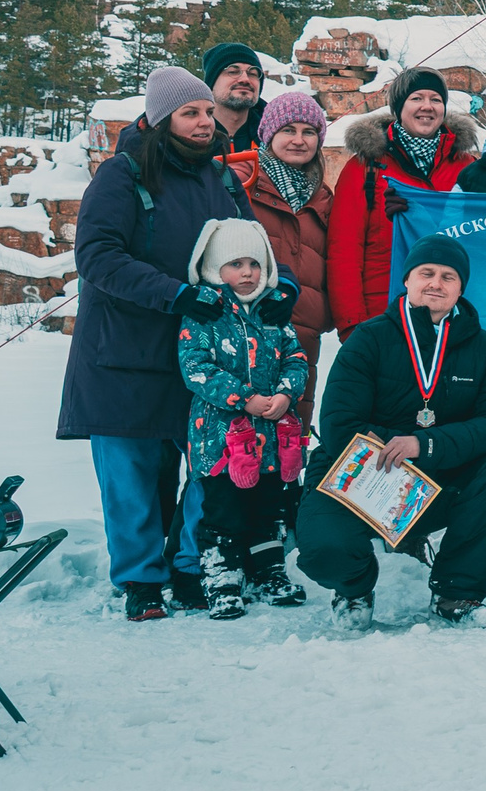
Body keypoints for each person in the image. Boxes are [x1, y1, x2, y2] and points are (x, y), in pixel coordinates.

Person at [63, 66, 264, 620]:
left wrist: (276, 285)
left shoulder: (222, 180)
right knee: (132, 476)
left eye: (206, 112)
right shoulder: (121, 175)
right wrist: (175, 294)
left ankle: (187, 565)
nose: (205, 122)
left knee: (207, 466)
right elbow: (98, 257)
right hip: (122, 352)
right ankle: (141, 582)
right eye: (190, 113)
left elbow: (253, 248)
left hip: (199, 354)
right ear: (160, 119)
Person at [296, 234, 486, 625]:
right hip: (366, 473)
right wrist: (392, 447)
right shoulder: (369, 337)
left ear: (461, 288)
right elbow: (337, 424)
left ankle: (457, 593)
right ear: (407, 280)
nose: (436, 283)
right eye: (427, 273)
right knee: (323, 551)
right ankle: (354, 588)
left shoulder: (485, 349)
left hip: (440, 476)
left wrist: (425, 444)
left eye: (448, 276)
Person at [175, 218, 310, 618]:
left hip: (269, 437)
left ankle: (269, 573)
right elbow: (195, 367)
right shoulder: (204, 314)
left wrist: (287, 393)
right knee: (223, 510)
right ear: (215, 269)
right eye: (235, 264)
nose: (247, 273)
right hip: (220, 439)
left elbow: (296, 358)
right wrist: (244, 398)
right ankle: (223, 579)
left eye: (254, 263)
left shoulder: (274, 313)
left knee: (268, 508)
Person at [327, 68, 480, 337]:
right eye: (416, 98)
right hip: (381, 315)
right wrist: (352, 324)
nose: (427, 107)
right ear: (399, 108)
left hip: (450, 319)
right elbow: (344, 250)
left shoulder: (467, 168)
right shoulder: (367, 167)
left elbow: (483, 239)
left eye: (436, 99)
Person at [235, 90, 335, 428]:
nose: (298, 140)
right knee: (234, 451)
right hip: (240, 335)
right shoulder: (240, 183)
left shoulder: (323, 199)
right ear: (269, 134)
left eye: (309, 132)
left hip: (303, 337)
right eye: (288, 130)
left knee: (291, 446)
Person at [203, 42, 269, 159]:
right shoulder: (191, 136)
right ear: (211, 84)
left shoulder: (274, 137)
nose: (245, 79)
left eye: (252, 73)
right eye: (233, 71)